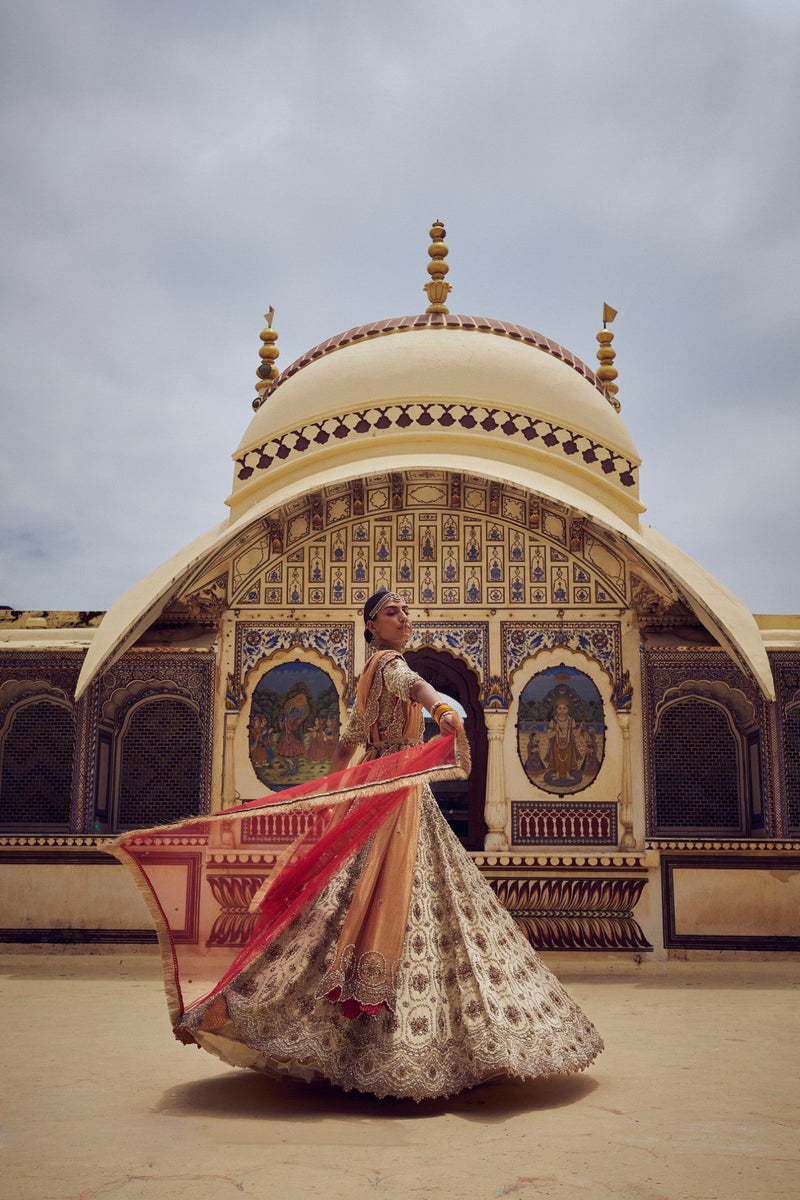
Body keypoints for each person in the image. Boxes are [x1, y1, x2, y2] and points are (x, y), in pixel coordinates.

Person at [175, 589, 602, 1100]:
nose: (405, 618)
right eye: (393, 612)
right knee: (397, 907)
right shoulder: (390, 665)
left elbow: (346, 743)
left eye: (407, 611)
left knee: (356, 908)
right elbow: (418, 687)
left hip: (385, 800)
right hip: (394, 805)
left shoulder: (367, 679)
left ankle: (345, 1038)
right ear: (372, 625)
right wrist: (442, 708)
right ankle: (390, 1046)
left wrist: (330, 795)